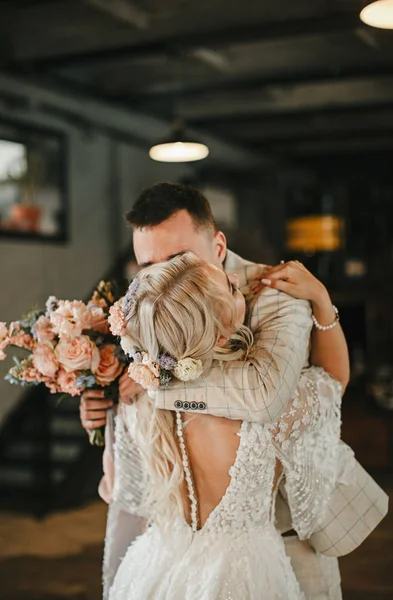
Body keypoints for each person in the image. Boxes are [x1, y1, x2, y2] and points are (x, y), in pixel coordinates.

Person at [80, 183, 388, 599]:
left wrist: (154, 386)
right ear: (226, 325)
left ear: (218, 248)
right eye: (148, 267)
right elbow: (333, 381)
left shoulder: (274, 294)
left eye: (177, 261)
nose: (163, 280)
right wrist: (105, 411)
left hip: (184, 557)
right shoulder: (151, 314)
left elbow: (125, 484)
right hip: (249, 566)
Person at [106, 252, 350, 599]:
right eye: (232, 291)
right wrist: (322, 303)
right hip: (245, 573)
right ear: (220, 337)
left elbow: (122, 487)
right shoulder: (268, 409)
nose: (237, 280)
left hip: (156, 565)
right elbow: (334, 380)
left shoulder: (141, 399)